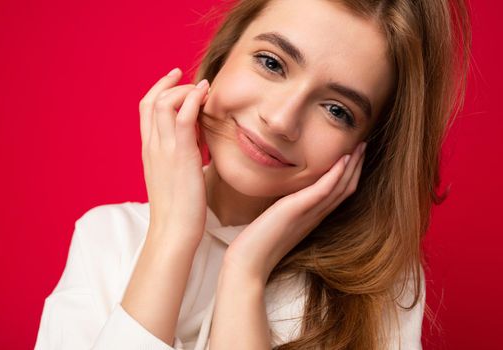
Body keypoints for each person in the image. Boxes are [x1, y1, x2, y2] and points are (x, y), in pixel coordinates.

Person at [34, 0, 471, 349]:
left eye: (337, 110)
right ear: (224, 56)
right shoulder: (107, 237)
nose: (281, 120)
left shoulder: (378, 289)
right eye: (272, 63)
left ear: (366, 147)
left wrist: (245, 272)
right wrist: (172, 235)